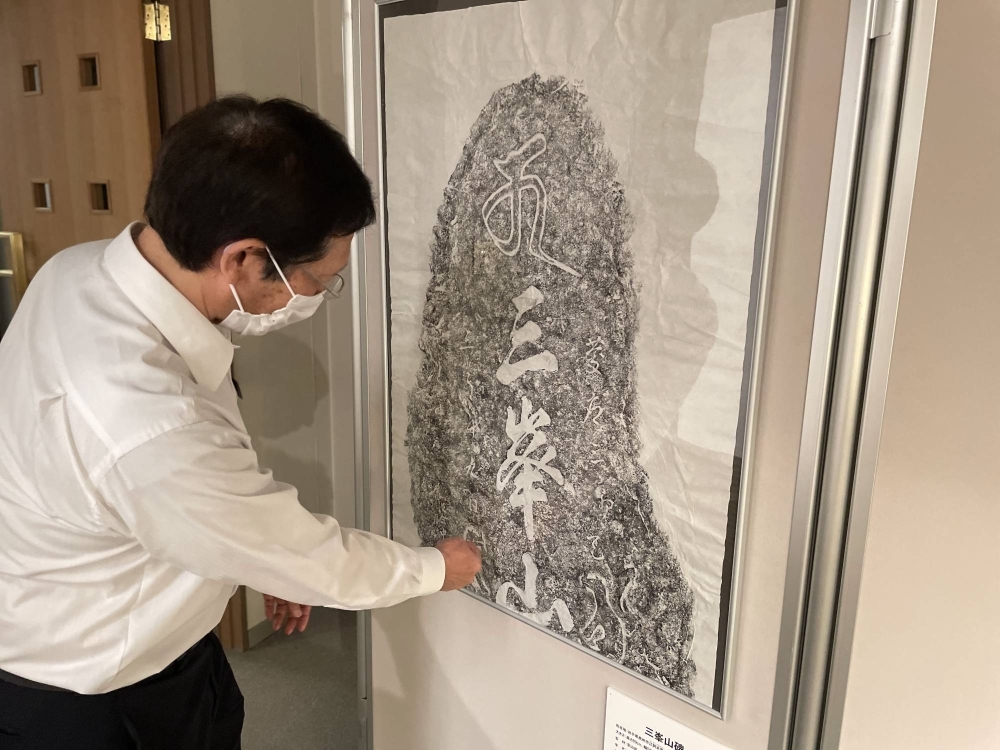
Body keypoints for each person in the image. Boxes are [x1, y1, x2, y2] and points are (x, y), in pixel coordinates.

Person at [0, 96, 482, 749]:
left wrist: (255, 558)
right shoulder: (146, 423)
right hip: (93, 687)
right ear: (244, 259)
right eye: (317, 280)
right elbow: (208, 486)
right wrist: (433, 569)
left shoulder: (76, 271)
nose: (314, 298)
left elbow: (205, 498)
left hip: (146, 628)